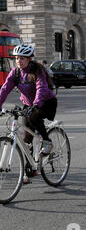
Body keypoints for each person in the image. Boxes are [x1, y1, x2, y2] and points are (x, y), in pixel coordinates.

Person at [0, 44, 57, 184]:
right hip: (28, 104)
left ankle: (47, 142)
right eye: (17, 58)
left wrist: (36, 104)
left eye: (22, 58)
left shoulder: (37, 70)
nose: (19, 61)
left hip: (46, 102)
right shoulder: (15, 73)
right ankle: (30, 169)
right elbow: (4, 89)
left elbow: (41, 88)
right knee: (26, 139)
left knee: (34, 116)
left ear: (29, 59)